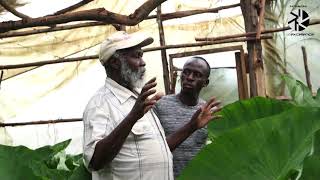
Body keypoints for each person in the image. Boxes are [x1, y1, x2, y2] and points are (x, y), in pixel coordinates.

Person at [82, 31, 222, 180]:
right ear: (115, 63)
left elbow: (160, 149)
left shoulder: (139, 100)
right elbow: (95, 161)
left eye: (142, 55)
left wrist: (192, 126)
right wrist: (132, 117)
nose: (143, 62)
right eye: (136, 56)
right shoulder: (101, 104)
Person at [155, 56, 214, 178]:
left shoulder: (207, 112)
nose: (189, 78)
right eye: (186, 72)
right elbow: (154, 149)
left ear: (205, 82)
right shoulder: (161, 105)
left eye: (197, 74)